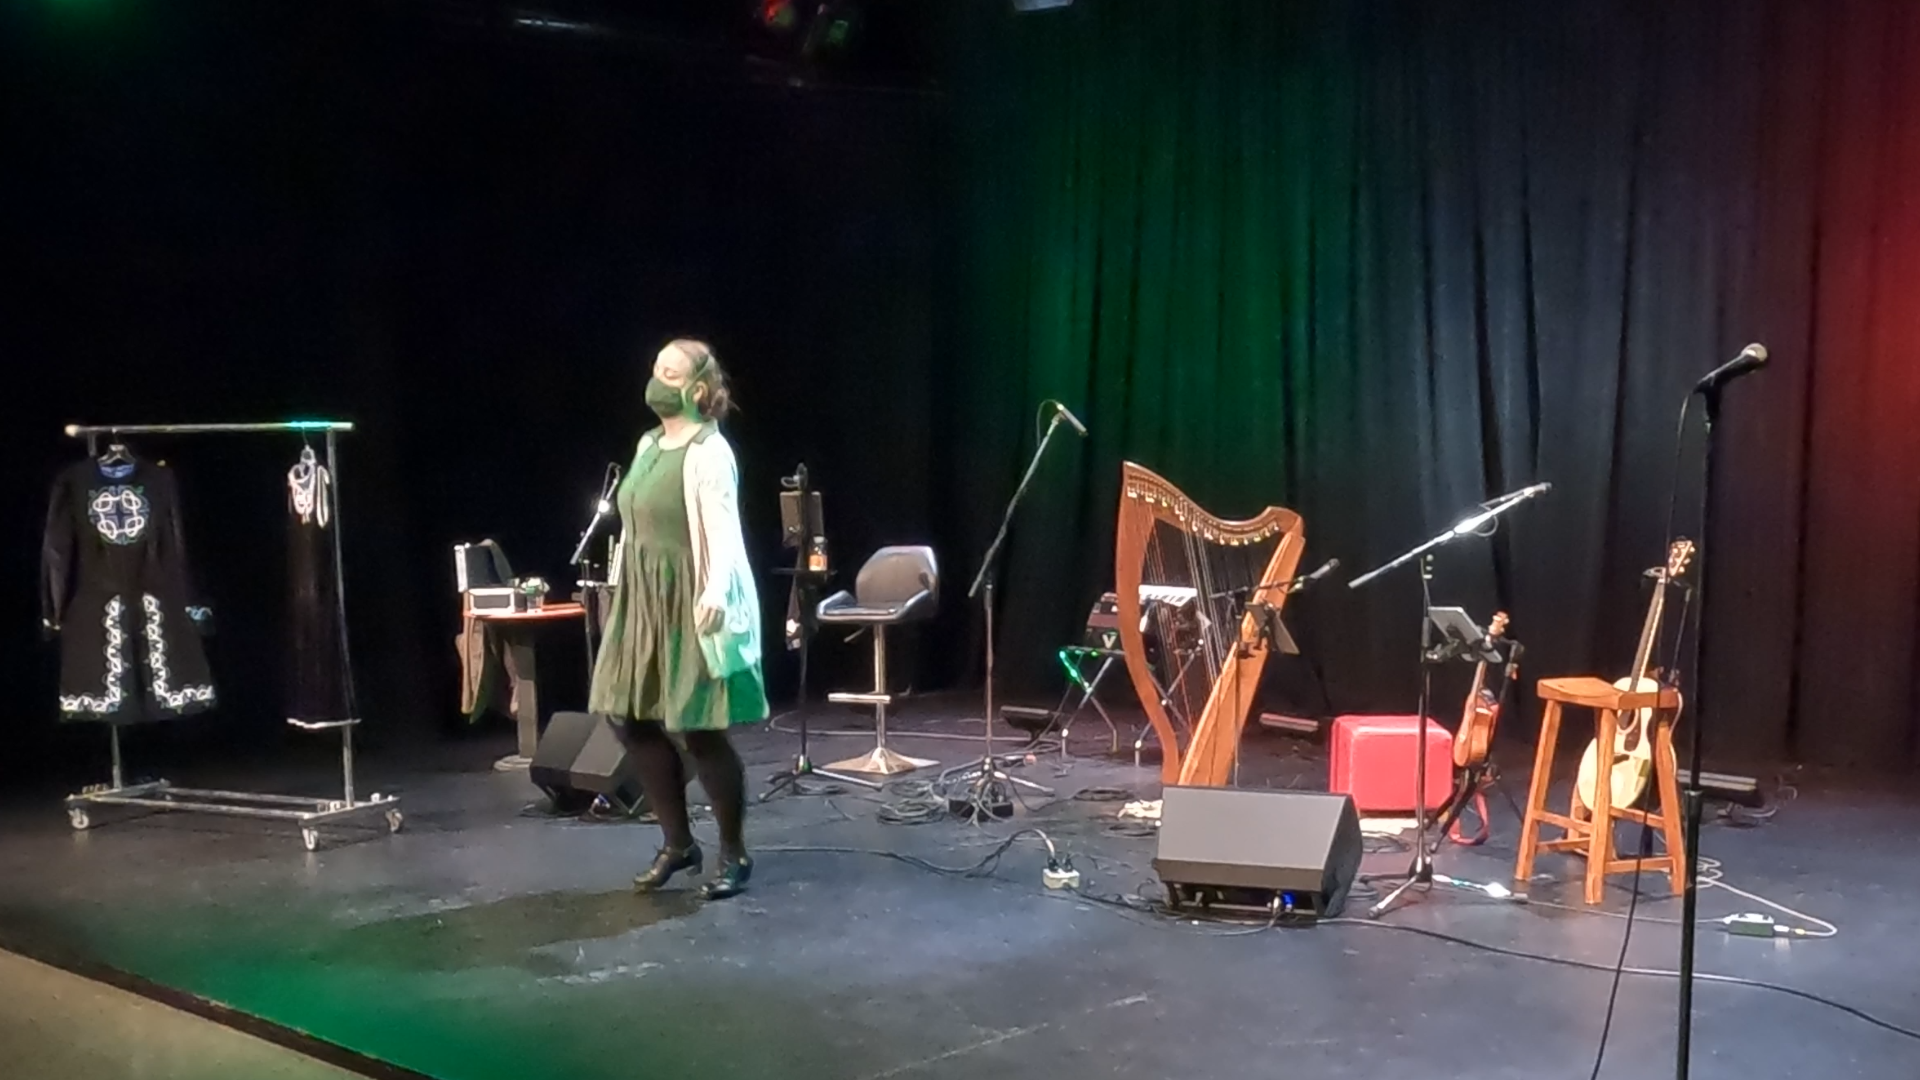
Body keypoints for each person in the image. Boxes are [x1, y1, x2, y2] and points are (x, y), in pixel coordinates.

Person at [588, 338, 768, 900]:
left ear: (697, 389)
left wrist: (714, 590)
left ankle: (734, 853)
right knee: (626, 715)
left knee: (698, 727)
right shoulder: (647, 444)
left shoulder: (710, 451)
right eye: (655, 369)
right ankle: (678, 842)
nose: (656, 380)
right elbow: (634, 523)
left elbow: (724, 530)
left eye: (670, 373)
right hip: (642, 597)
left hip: (689, 595)